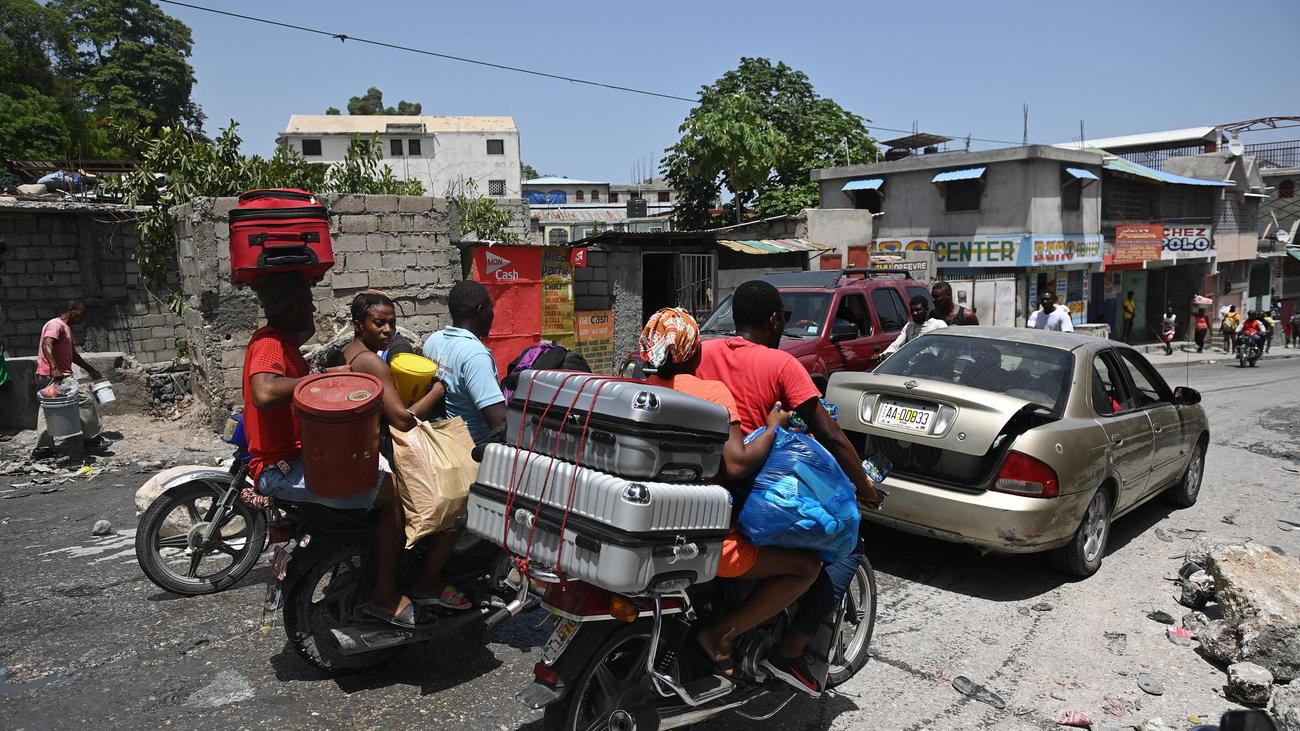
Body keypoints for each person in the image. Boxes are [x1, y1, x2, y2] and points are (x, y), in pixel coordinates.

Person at [696, 280, 884, 696]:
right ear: (774, 319)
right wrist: (864, 486)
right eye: (783, 317)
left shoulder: (701, 353)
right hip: (743, 500)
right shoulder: (781, 364)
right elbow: (830, 433)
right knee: (838, 550)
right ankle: (787, 649)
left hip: (697, 492)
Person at [639, 308, 821, 681]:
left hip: (646, 520)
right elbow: (737, 464)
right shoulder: (710, 392)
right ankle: (720, 637)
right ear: (693, 352)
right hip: (698, 533)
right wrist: (773, 427)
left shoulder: (640, 390)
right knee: (806, 567)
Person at [242, 273, 418, 628]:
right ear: (290, 308)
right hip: (281, 468)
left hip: (293, 460)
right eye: (308, 305)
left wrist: (339, 373)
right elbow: (264, 391)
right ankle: (385, 597)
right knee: (394, 495)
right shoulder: (270, 342)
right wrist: (315, 381)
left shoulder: (286, 347)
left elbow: (304, 383)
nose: (312, 313)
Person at [342, 291, 470, 611]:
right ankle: (425, 585)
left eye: (392, 324)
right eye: (379, 323)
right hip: (380, 451)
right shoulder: (371, 361)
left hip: (358, 449)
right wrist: (438, 390)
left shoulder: (348, 352)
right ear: (359, 325)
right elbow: (401, 419)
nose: (387, 330)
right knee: (449, 501)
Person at [423, 280, 507, 446]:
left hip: (442, 443)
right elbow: (499, 422)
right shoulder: (475, 355)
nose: (492, 314)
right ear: (481, 310)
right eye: (491, 308)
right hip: (472, 451)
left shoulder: (433, 340)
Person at [32, 300, 110, 459]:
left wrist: (91, 370)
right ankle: (92, 439)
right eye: (81, 313)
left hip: (56, 373)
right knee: (85, 400)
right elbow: (47, 345)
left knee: (48, 408)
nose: (83, 317)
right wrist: (54, 368)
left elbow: (73, 355)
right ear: (71, 310)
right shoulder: (56, 325)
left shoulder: (66, 328)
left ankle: (43, 448)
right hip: (57, 375)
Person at [883, 295, 948, 357]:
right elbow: (896, 345)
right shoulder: (909, 327)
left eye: (918, 310)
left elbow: (948, 347)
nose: (914, 313)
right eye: (912, 310)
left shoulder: (938, 325)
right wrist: (883, 355)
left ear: (926, 309)